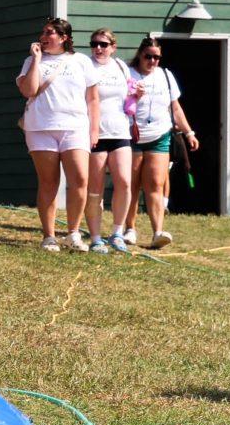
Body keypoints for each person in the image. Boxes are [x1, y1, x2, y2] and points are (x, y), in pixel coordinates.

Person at [16, 16, 99, 251]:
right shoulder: (31, 61)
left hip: (74, 127)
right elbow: (29, 90)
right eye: (43, 32)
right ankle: (49, 236)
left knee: (80, 179)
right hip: (41, 127)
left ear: (63, 38)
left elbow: (93, 98)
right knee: (49, 182)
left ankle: (73, 233)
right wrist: (36, 60)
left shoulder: (81, 61)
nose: (43, 36)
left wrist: (94, 129)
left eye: (49, 32)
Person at [127, 35, 197, 248]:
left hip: (159, 135)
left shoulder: (166, 76)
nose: (152, 61)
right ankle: (129, 229)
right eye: (148, 56)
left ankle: (157, 231)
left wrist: (189, 132)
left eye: (156, 57)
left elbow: (175, 107)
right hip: (133, 136)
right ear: (140, 55)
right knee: (132, 185)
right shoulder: (127, 73)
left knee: (155, 184)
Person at [81, 28, 139, 252]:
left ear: (113, 47)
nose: (98, 48)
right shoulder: (86, 65)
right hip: (95, 132)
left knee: (124, 182)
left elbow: (127, 97)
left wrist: (137, 95)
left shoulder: (120, 66)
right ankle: (95, 237)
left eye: (103, 44)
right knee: (95, 188)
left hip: (120, 131)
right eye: (94, 44)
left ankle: (117, 233)